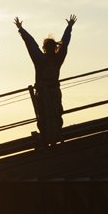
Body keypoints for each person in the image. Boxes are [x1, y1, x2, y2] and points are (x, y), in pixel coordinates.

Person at [15, 15, 76, 144]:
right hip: (53, 90)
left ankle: (46, 138)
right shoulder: (57, 58)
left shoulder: (40, 59)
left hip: (42, 92)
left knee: (43, 116)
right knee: (55, 114)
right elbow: (65, 43)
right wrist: (69, 27)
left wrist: (21, 29)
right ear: (54, 48)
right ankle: (56, 136)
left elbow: (31, 44)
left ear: (44, 48)